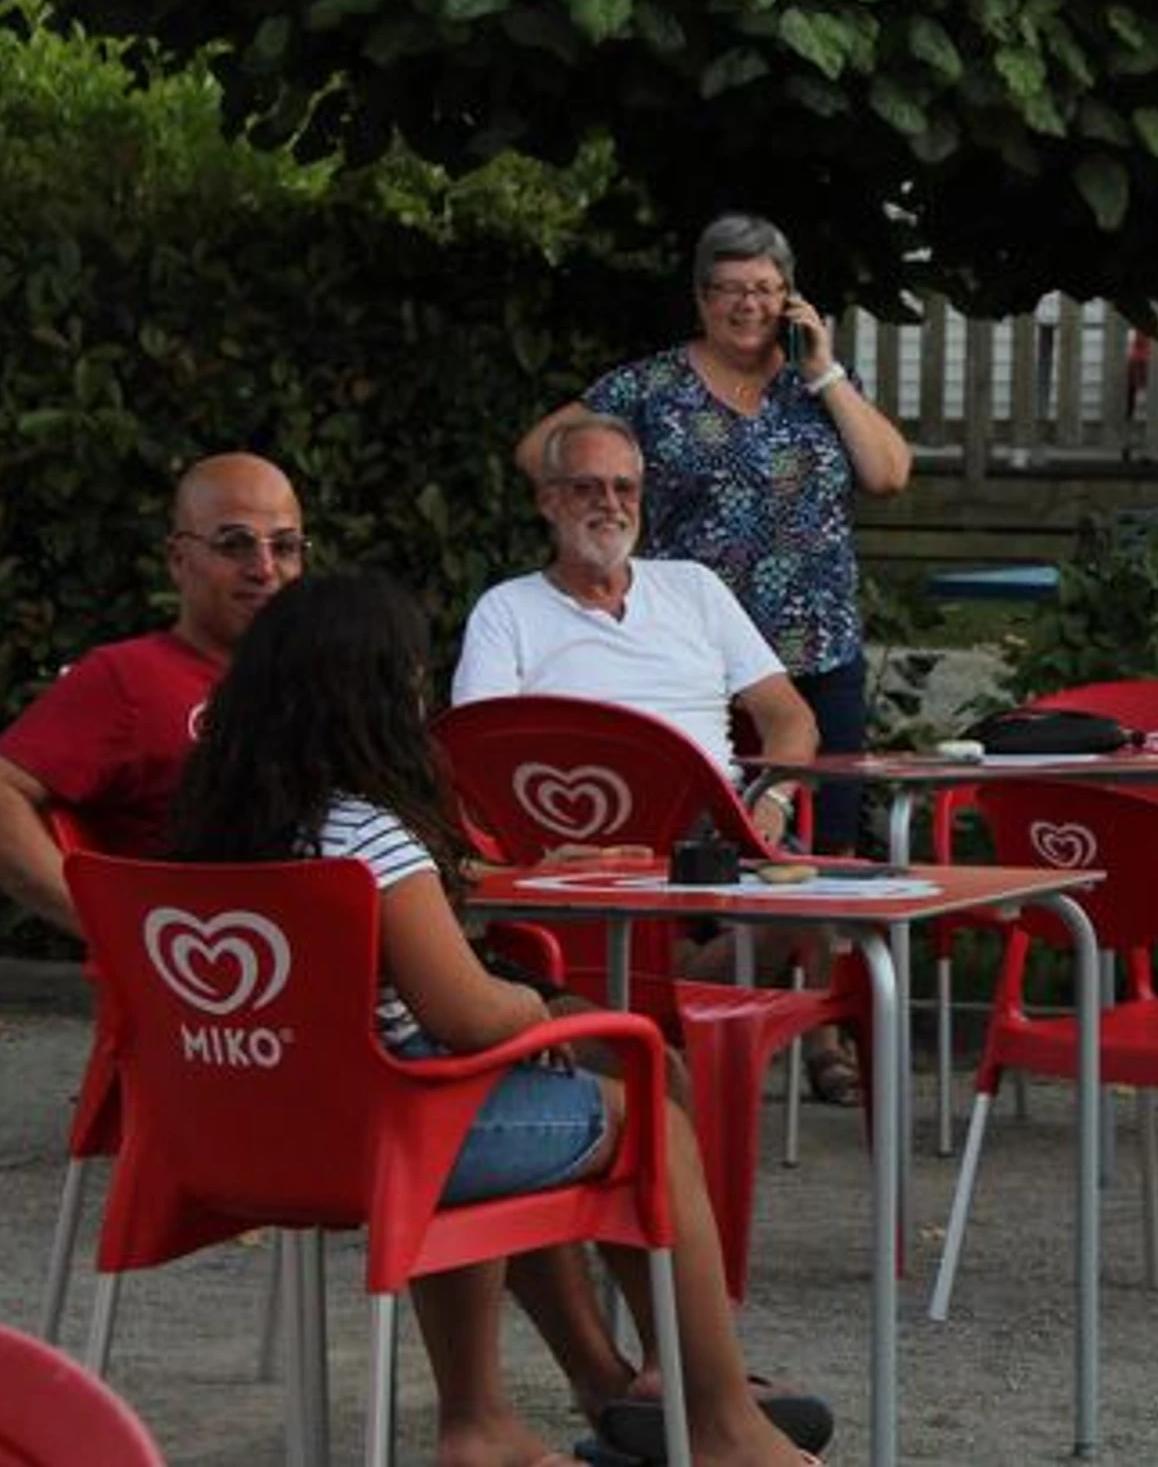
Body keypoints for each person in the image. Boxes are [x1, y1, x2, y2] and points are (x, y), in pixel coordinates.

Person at [171, 570, 825, 1467]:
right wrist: (537, 1009)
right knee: (644, 1112)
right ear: (374, 701)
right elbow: (470, 1016)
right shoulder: (369, 840)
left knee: (527, 1094)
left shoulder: (218, 834)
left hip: (243, 1136)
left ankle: (493, 1420)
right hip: (392, 1138)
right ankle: (721, 1425)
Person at [516, 214, 909, 1102]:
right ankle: (691, 1011)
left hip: (813, 646)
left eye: (765, 289)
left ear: (790, 298)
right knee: (702, 841)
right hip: (694, 651)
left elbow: (888, 474)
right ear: (700, 298)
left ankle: (820, 1036)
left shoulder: (817, 384)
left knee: (822, 846)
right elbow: (538, 451)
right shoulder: (651, 386)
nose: (748, 305)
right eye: (730, 289)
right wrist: (608, 518)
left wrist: (826, 369)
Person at [455, 413, 820, 838]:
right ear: (548, 502)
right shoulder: (505, 610)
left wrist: (771, 801)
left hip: (709, 830)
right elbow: (479, 749)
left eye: (624, 488)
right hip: (575, 830)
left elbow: (791, 717)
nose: (610, 503)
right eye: (586, 488)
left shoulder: (695, 587)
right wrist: (541, 845)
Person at [0, 453, 306, 936]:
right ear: (178, 560)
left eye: (284, 546)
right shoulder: (128, 677)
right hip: (201, 972)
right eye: (235, 544)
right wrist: (115, 928)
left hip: (328, 955)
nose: (264, 568)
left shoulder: (320, 679)